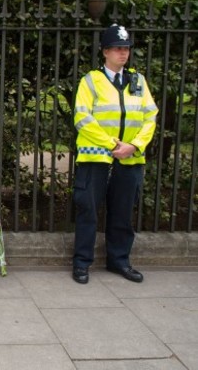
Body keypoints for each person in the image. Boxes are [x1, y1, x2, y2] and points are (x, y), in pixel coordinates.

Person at [72, 24, 158, 285]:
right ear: (105, 51)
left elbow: (150, 116)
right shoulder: (91, 81)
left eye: (127, 49)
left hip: (130, 159)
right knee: (88, 211)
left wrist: (134, 146)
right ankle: (81, 263)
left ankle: (119, 261)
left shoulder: (138, 81)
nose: (124, 53)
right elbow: (82, 117)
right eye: (118, 49)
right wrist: (112, 145)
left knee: (122, 212)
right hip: (96, 157)